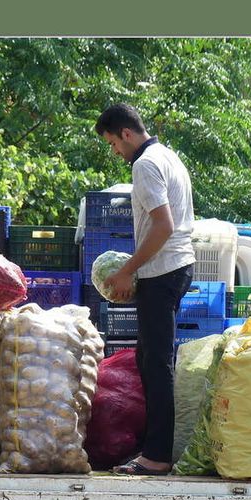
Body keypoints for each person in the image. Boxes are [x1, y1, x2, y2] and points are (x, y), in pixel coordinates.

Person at [95, 103, 195, 475]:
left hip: (163, 271)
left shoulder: (145, 164)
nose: (115, 152)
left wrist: (127, 271)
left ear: (125, 133)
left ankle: (157, 456)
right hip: (175, 267)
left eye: (112, 143)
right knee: (148, 360)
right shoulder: (169, 156)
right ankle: (151, 448)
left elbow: (163, 226)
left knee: (155, 364)